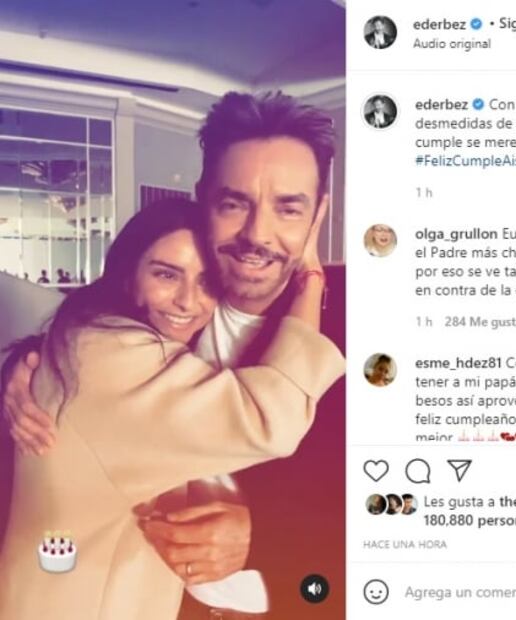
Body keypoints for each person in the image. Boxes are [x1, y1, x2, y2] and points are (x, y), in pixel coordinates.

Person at [2, 91, 343, 619]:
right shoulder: (151, 324)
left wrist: (265, 532)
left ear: (318, 213)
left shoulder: (355, 321)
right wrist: (19, 371)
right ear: (205, 201)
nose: (258, 233)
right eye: (234, 204)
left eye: (288, 208)